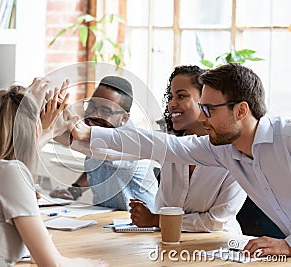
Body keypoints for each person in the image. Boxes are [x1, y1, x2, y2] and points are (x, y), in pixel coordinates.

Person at [70, 63, 291, 257]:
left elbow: (217, 220)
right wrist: (86, 134)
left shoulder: (286, 139)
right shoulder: (223, 150)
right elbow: (160, 145)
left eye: (209, 110)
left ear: (241, 110)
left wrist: (287, 245)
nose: (202, 117)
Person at [0, 85, 106, 267]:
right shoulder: (9, 173)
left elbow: (13, 150)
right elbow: (52, 264)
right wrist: (94, 264)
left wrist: (49, 132)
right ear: (34, 130)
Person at [129, 65, 246, 234]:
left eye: (181, 96)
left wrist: (156, 219)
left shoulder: (233, 153)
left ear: (205, 100)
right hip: (169, 243)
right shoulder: (170, 147)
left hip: (219, 247)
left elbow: (216, 221)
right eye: (170, 97)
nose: (171, 104)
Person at [50, 76, 158, 211]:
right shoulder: (98, 133)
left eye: (105, 111)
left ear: (124, 118)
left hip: (138, 227)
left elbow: (73, 139)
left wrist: (60, 111)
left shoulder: (131, 144)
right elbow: (96, 165)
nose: (94, 114)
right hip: (106, 220)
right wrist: (74, 191)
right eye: (92, 106)